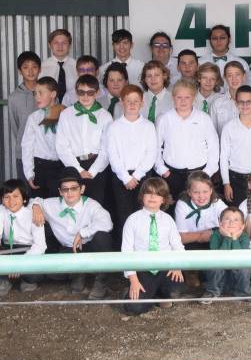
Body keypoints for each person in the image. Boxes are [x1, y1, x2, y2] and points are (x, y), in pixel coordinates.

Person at [31, 168, 113, 298]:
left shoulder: (91, 205)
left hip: (89, 247)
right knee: (53, 274)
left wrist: (82, 233)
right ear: (60, 192)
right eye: (65, 189)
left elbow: (107, 223)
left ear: (82, 189)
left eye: (74, 188)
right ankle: (78, 274)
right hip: (69, 250)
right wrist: (36, 207)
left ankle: (101, 282)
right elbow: (35, 200)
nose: (69, 193)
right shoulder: (52, 204)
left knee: (103, 237)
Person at [120, 177, 185, 315]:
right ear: (142, 196)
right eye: (148, 193)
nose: (152, 197)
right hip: (143, 269)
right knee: (133, 309)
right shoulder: (132, 220)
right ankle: (144, 292)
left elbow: (177, 246)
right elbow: (126, 251)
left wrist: (177, 265)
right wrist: (133, 280)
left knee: (175, 292)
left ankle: (157, 294)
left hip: (165, 267)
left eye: (157, 194)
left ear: (164, 199)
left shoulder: (168, 220)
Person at [106, 84, 158, 243]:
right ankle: (126, 255)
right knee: (124, 215)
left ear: (142, 102)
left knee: (145, 212)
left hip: (142, 175)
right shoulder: (114, 127)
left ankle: (144, 249)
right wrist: (126, 177)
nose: (132, 104)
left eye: (136, 101)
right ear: (122, 102)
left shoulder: (148, 126)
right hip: (121, 177)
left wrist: (136, 176)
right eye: (128, 101)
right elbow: (112, 154)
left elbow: (151, 153)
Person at [156, 80, 220, 202]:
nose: (183, 101)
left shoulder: (203, 118)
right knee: (173, 208)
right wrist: (163, 171)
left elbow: (213, 147)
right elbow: (156, 147)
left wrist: (207, 172)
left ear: (194, 98)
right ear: (173, 98)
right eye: (179, 97)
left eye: (187, 97)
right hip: (172, 174)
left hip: (199, 173)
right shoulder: (165, 119)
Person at [55, 73, 113, 205]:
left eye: (90, 92)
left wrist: (92, 171)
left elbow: (107, 148)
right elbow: (62, 146)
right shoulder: (66, 114)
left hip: (97, 166)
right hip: (73, 164)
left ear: (97, 93)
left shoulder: (105, 116)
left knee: (96, 204)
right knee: (73, 204)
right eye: (81, 92)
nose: (85, 96)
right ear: (76, 93)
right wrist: (78, 170)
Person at [0, 179, 47, 297]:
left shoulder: (33, 213)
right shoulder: (1, 210)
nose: (11, 201)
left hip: (27, 250)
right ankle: (4, 280)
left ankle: (27, 280)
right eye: (6, 197)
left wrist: (19, 263)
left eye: (15, 196)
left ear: (24, 198)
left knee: (37, 271)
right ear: (2, 200)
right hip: (8, 248)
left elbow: (40, 245)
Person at [21, 76, 65, 199]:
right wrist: (30, 173)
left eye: (41, 93)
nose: (37, 97)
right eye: (35, 93)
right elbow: (27, 146)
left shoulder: (66, 114)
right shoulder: (33, 118)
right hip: (40, 167)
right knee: (39, 205)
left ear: (53, 94)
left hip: (60, 167)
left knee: (58, 205)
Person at [202, 207, 251, 304]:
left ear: (242, 226)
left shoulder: (244, 237)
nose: (231, 223)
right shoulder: (215, 235)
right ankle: (212, 292)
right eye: (227, 219)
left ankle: (243, 293)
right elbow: (219, 256)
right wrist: (228, 237)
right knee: (214, 264)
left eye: (236, 220)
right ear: (220, 223)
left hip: (236, 279)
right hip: (220, 279)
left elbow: (240, 257)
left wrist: (234, 238)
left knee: (245, 266)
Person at [8, 51, 41, 181]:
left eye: (34, 67)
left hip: (46, 154)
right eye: (26, 67)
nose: (30, 71)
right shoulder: (14, 97)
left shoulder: (48, 92)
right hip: (24, 154)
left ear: (40, 69)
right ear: (20, 71)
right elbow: (15, 126)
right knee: (26, 192)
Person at [174, 170, 227, 250]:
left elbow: (231, 224)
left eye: (205, 192)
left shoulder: (217, 203)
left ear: (211, 191)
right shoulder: (182, 205)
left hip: (214, 241)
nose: (201, 196)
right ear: (189, 192)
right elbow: (181, 238)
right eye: (196, 192)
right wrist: (202, 236)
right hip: (191, 244)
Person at [211, 61, 251, 132]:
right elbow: (213, 131)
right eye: (230, 75)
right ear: (225, 77)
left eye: (237, 74)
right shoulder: (217, 103)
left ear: (244, 76)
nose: (234, 79)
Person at [41, 28, 77, 99]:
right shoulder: (41, 67)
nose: (60, 46)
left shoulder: (77, 67)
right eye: (56, 43)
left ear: (69, 45)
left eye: (64, 43)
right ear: (49, 45)